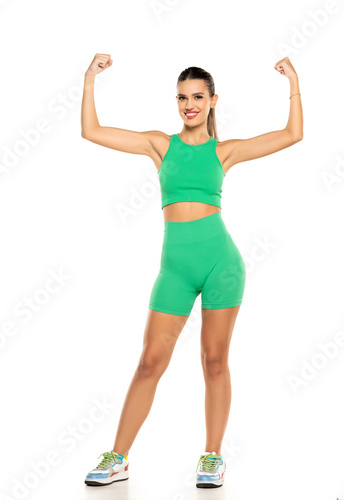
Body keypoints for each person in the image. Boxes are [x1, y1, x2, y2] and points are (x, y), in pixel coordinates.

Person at [81, 53, 303, 488]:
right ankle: (118, 457)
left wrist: (293, 80)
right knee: (149, 362)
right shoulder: (160, 144)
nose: (189, 105)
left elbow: (293, 134)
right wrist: (90, 79)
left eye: (198, 97)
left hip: (222, 265)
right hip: (175, 271)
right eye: (183, 97)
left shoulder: (226, 151)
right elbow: (92, 131)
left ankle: (213, 457)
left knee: (214, 361)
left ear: (213, 101)